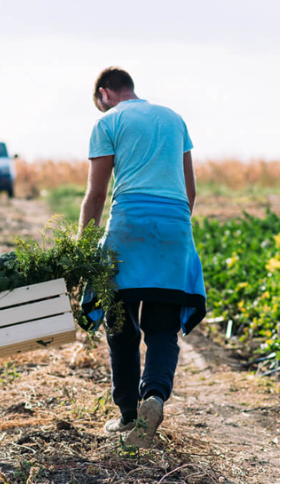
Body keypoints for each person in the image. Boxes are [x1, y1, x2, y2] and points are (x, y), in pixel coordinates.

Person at [80, 67, 206, 446]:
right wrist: (173, 230)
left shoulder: (109, 122)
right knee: (163, 327)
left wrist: (83, 250)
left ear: (104, 94)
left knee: (120, 326)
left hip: (128, 228)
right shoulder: (173, 118)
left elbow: (98, 196)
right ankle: (154, 395)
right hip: (173, 227)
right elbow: (190, 190)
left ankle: (128, 416)